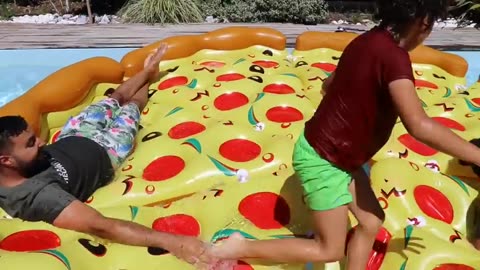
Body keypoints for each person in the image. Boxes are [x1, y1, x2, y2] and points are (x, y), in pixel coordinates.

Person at [206, 0, 480, 269]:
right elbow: (418, 125)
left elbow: (328, 85)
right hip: (325, 159)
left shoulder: (368, 41)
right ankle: (240, 246)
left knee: (371, 222)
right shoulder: (394, 57)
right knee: (329, 249)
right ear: (425, 22)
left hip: (339, 154)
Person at [0, 44, 212, 266]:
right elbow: (101, 225)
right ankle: (150, 79)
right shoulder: (40, 197)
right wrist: (176, 243)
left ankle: (147, 71)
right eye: (31, 143)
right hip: (109, 148)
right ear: (6, 160)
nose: (42, 142)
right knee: (133, 105)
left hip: (74, 132)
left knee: (117, 96)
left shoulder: (15, 167)